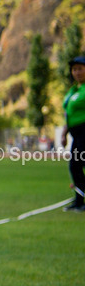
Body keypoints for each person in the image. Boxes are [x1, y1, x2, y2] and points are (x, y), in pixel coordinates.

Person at [60, 55, 85, 211]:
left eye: (80, 69)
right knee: (74, 166)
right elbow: (67, 113)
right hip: (76, 135)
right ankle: (79, 200)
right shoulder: (73, 90)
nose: (77, 72)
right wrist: (64, 133)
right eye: (74, 69)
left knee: (79, 163)